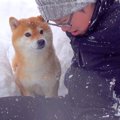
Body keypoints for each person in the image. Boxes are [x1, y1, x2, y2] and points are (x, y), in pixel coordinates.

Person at [0, 0, 120, 120]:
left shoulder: (114, 28)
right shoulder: (84, 28)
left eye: (64, 21)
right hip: (74, 106)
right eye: (58, 23)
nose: (63, 29)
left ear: (83, 4)